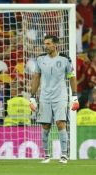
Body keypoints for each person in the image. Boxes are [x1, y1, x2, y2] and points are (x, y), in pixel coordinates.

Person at [29, 35, 79, 164]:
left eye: (48, 43)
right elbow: (36, 78)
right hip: (45, 97)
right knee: (45, 126)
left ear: (55, 45)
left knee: (60, 123)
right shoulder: (40, 59)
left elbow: (72, 77)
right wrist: (32, 97)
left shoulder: (65, 59)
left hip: (60, 96)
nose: (45, 46)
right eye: (45, 43)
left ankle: (64, 155)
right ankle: (46, 155)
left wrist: (74, 96)